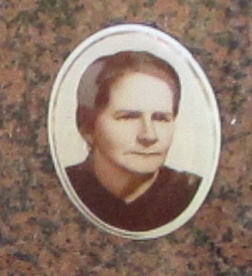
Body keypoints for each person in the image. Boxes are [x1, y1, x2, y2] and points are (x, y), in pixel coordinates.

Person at [64, 50, 202, 233]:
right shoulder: (61, 188)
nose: (149, 135)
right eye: (129, 117)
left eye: (161, 118)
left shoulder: (192, 194)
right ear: (87, 125)